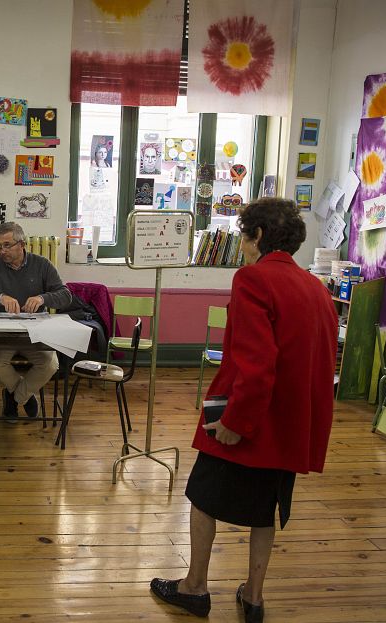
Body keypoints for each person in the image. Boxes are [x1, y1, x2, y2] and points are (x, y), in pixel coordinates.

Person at [150, 198, 338, 622]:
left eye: (244, 237)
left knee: (201, 497)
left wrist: (236, 422)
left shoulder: (253, 278)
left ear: (258, 236)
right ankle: (253, 597)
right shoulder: (316, 287)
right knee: (264, 510)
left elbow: (257, 363)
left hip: (250, 418)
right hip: (291, 424)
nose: (243, 246)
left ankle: (195, 587)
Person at [0, 222, 72, 421]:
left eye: (7, 245)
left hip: (35, 333)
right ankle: (26, 396)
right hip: (1, 333)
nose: (2, 250)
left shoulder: (41, 264)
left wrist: (42, 298)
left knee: (50, 365)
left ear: (22, 244)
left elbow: (65, 295)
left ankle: (14, 398)